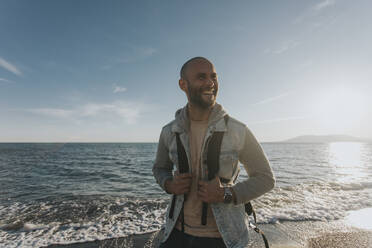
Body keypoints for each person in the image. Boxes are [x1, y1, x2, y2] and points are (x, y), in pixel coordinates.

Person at [153, 57, 275, 248]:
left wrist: (226, 194)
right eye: (201, 77)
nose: (210, 83)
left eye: (214, 77)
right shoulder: (169, 131)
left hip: (223, 238)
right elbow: (160, 168)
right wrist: (169, 184)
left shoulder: (238, 130)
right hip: (175, 233)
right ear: (183, 84)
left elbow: (265, 178)